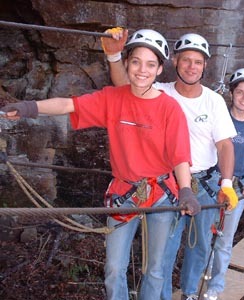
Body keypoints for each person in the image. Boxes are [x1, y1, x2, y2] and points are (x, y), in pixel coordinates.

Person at [1, 29, 201, 300]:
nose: (142, 70)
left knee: (155, 269)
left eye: (150, 64)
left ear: (159, 70)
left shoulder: (169, 108)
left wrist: (186, 190)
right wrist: (28, 108)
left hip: (161, 193)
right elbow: (67, 105)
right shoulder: (112, 99)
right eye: (136, 62)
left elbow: (180, 155)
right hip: (125, 191)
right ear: (127, 63)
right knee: (113, 268)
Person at [102, 28, 239, 300]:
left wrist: (226, 183)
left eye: (198, 61)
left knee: (199, 245)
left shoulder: (213, 101)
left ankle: (188, 293)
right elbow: (123, 89)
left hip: (204, 182)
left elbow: (225, 145)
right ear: (174, 62)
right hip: (167, 183)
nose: (191, 66)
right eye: (186, 60)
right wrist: (115, 55)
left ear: (205, 66)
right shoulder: (159, 91)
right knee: (162, 254)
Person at [204, 68, 244, 300]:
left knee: (224, 239)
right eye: (240, 92)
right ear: (231, 93)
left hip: (237, 189)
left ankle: (215, 286)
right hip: (210, 182)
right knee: (203, 233)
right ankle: (198, 277)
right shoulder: (218, 116)